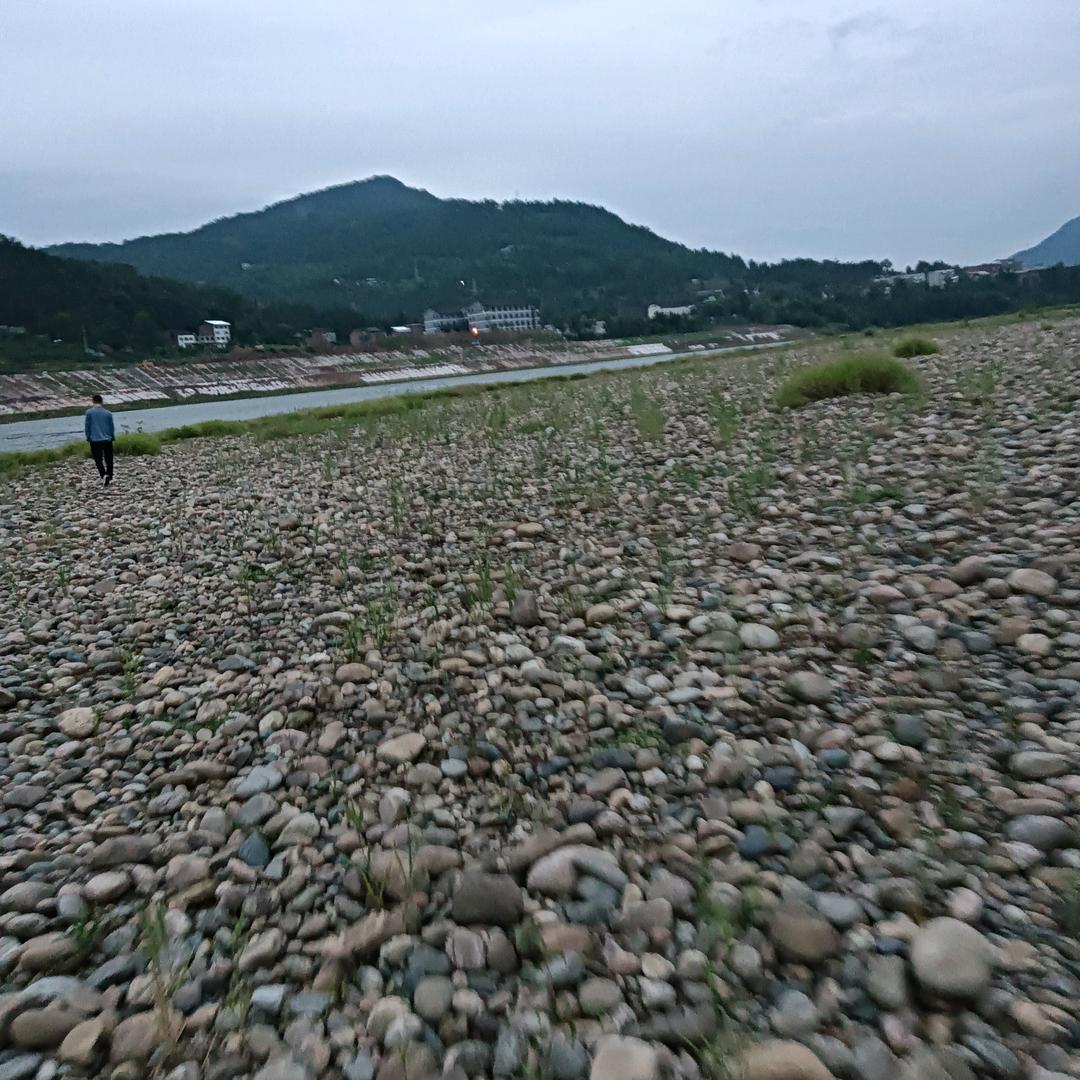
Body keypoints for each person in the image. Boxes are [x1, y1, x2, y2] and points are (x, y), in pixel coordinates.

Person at [84, 394, 115, 486]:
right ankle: (110, 475)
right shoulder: (108, 413)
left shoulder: (89, 413)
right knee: (109, 459)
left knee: (98, 459)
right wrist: (112, 436)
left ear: (93, 401)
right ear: (102, 402)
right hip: (107, 439)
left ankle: (103, 475)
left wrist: (88, 436)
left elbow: (87, 426)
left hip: (95, 439)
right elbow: (111, 427)